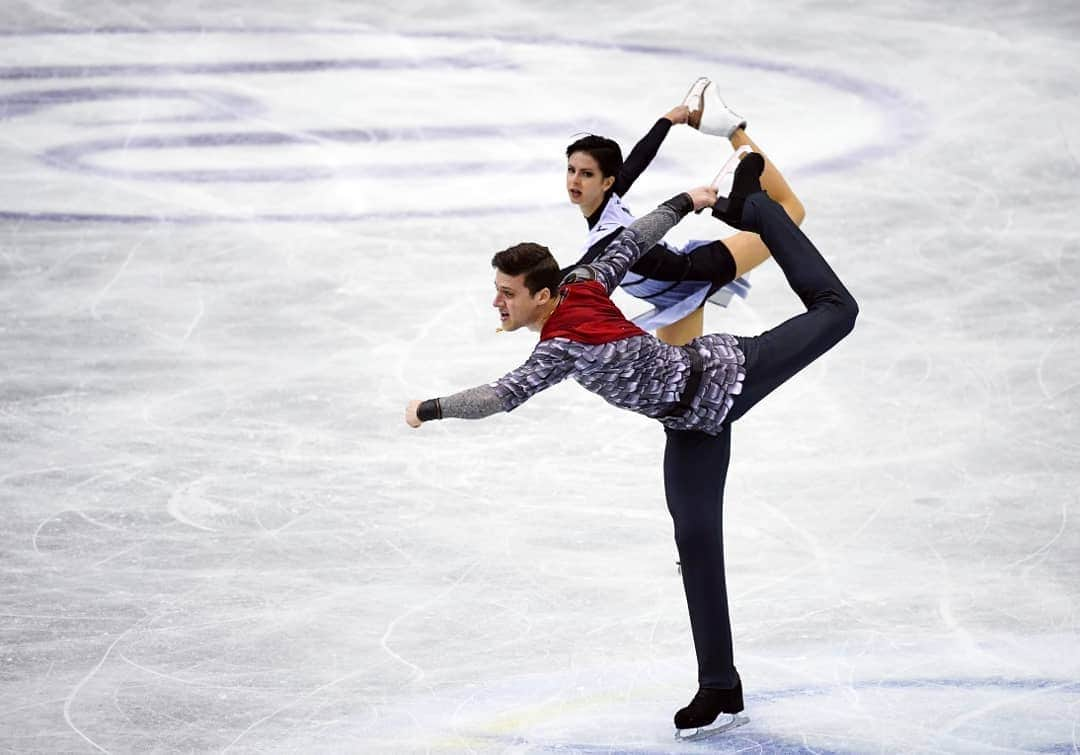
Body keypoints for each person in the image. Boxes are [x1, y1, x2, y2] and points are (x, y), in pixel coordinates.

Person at [404, 153, 859, 741]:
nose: (498, 303)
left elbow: (501, 394)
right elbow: (631, 237)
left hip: (726, 377)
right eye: (497, 292)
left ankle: (759, 209)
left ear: (543, 295)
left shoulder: (565, 333)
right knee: (696, 546)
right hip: (690, 426)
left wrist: (430, 407)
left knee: (839, 312)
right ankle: (720, 687)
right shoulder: (579, 292)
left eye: (507, 293)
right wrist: (683, 203)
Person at [564, 77, 806, 347]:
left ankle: (731, 130)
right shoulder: (608, 202)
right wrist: (667, 120)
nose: (574, 181)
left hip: (702, 271)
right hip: (673, 301)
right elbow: (638, 159)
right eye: (571, 170)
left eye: (586, 174)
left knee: (790, 210)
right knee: (680, 388)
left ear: (606, 181)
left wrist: (523, 291)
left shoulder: (608, 235)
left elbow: (575, 272)